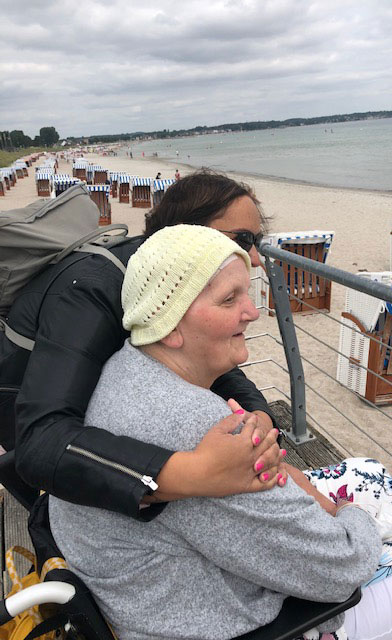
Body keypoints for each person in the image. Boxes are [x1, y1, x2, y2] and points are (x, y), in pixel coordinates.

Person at [49, 225, 392, 640]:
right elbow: (340, 569)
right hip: (248, 623)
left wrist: (302, 492)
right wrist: (348, 512)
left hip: (155, 600)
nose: (253, 311)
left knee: (368, 469)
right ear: (169, 323)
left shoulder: (126, 369)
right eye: (229, 299)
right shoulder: (199, 429)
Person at [4, 171, 285, 521]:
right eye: (244, 239)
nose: (255, 257)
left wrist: (260, 422)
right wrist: (196, 472)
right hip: (23, 418)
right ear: (185, 231)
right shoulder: (93, 293)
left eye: (257, 241)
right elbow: (40, 442)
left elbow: (210, 365)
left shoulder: (163, 284)